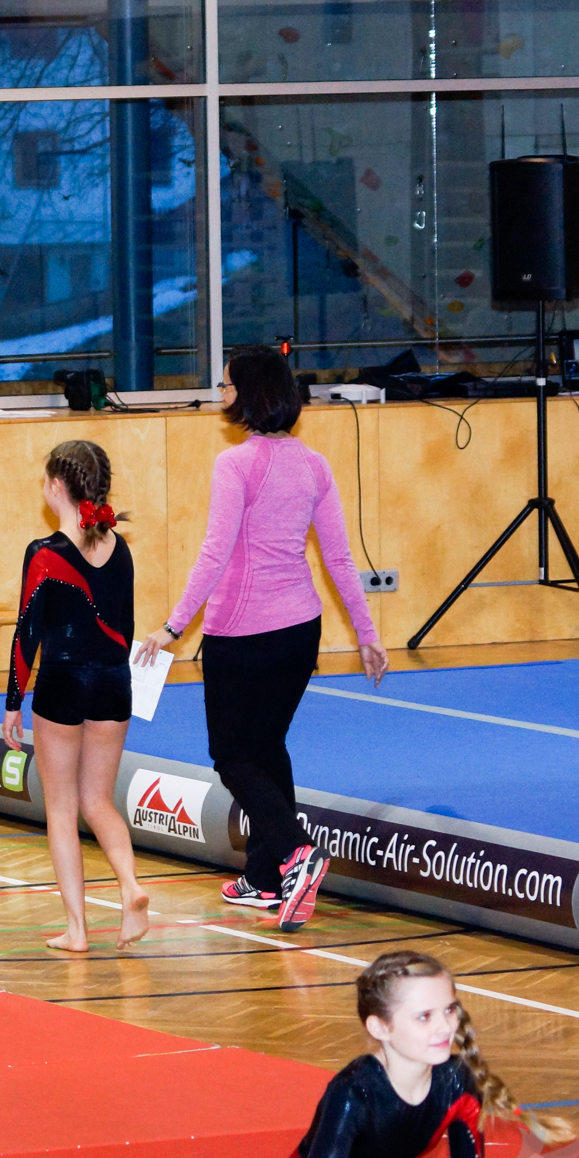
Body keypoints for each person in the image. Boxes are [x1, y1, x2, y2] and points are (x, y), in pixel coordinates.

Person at [134, 346, 388, 932]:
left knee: (232, 755)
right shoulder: (314, 465)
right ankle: (266, 876)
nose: (221, 395)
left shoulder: (236, 464)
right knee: (268, 748)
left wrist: (173, 626)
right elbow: (340, 558)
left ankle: (296, 852)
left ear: (249, 395)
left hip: (244, 634)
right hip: (299, 631)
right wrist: (367, 633)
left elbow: (215, 551)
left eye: (226, 386)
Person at [273, 949, 570, 1158]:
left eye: (449, 1010)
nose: (444, 1027)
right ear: (380, 1028)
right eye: (424, 1017)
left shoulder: (456, 1082)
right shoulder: (354, 1093)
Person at [1, 441, 148, 952]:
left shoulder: (44, 553)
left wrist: (13, 701)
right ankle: (129, 885)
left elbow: (27, 632)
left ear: (57, 486)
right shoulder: (120, 548)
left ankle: (78, 930)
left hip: (63, 683)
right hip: (113, 681)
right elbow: (126, 627)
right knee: (98, 801)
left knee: (62, 809)